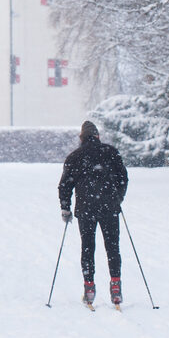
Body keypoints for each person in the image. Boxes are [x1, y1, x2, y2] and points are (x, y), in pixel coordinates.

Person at [58, 120, 128, 306]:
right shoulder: (111, 152)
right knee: (113, 247)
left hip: (86, 208)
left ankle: (89, 287)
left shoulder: (75, 156)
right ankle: (116, 286)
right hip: (109, 207)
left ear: (82, 138)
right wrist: (118, 198)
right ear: (97, 136)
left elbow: (65, 185)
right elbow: (123, 178)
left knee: (88, 247)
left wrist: (65, 207)